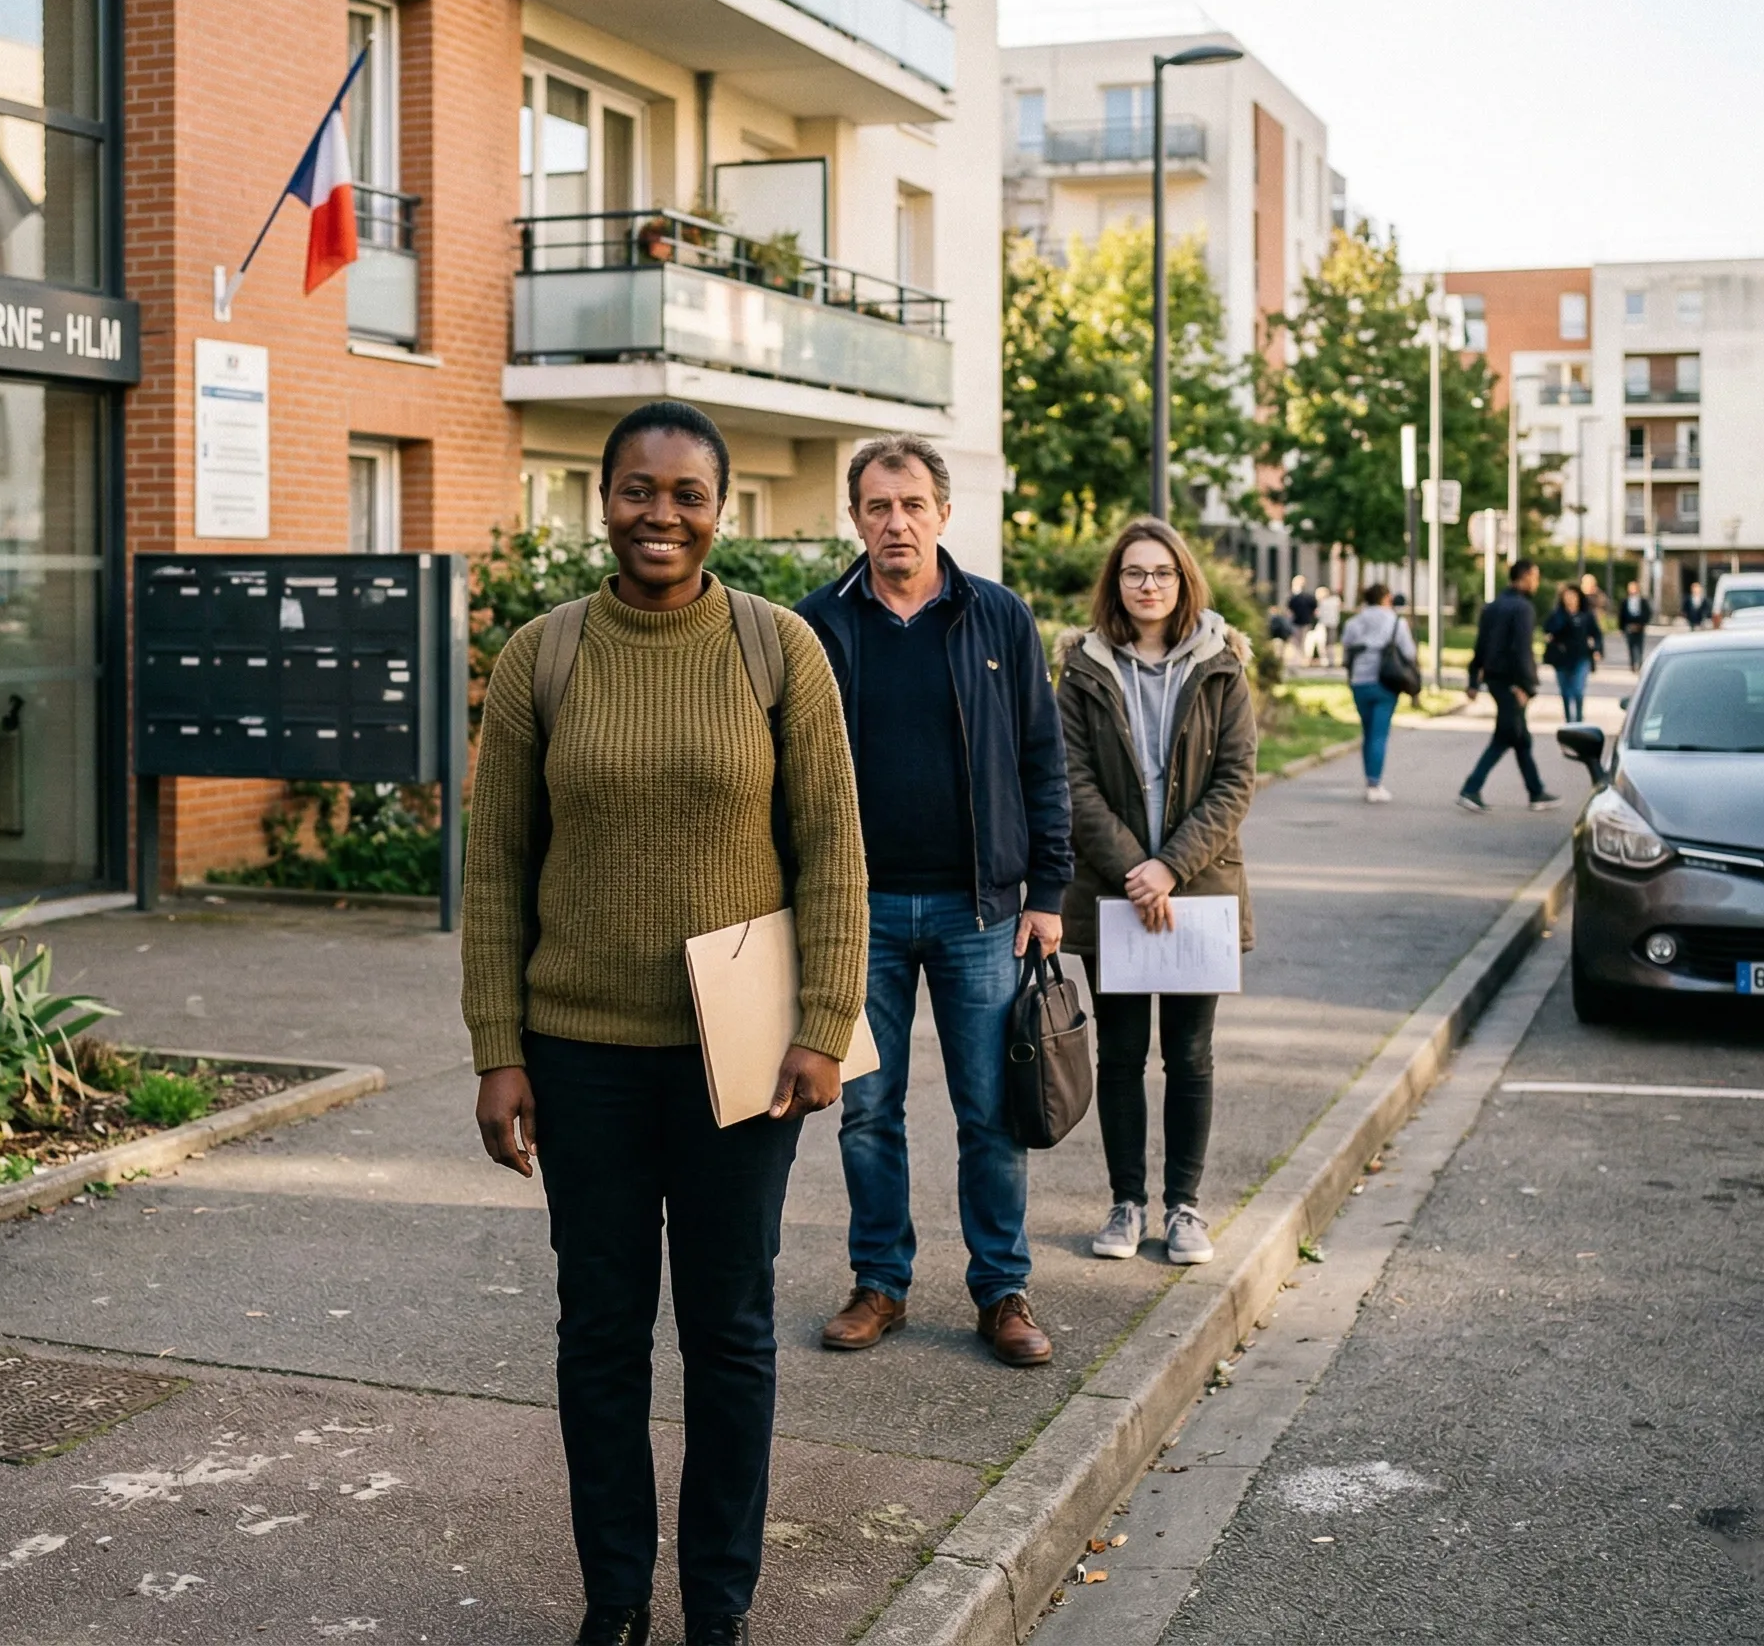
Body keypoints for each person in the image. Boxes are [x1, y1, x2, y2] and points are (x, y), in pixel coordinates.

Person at [460, 401, 869, 1646]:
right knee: (598, 1334)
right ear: (601, 500)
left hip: (735, 1058)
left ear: (719, 508)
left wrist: (823, 1017)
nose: (661, 514)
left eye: (686, 493)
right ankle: (616, 1598)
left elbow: (832, 847)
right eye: (637, 489)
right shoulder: (544, 655)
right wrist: (497, 1047)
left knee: (730, 1331)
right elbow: (495, 868)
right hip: (581, 1053)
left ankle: (719, 1604)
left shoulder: (777, 648)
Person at [795, 437, 1073, 1369]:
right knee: (868, 1108)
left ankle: (1002, 1291)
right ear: (856, 518)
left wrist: (1050, 888)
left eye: (911, 504)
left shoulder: (997, 617)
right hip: (857, 912)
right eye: (877, 506)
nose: (895, 523)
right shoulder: (818, 625)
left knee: (989, 1110)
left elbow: (1042, 757)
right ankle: (881, 1283)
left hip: (981, 911)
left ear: (943, 514)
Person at [1058, 519, 1258, 1268]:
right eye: (1135, 572)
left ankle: (1183, 1209)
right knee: (1120, 1055)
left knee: (1191, 1056)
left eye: (1162, 573)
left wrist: (1168, 867)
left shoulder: (1222, 663)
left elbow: (1235, 780)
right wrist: (1132, 870)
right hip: (1114, 895)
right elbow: (1070, 781)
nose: (1148, 585)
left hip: (1196, 891)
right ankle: (1125, 1204)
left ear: (1183, 583)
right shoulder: (1082, 667)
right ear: (1116, 583)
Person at [1457, 558, 1560, 814]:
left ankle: (1536, 791)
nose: (1536, 582)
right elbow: (1521, 650)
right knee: (1505, 736)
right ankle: (1471, 788)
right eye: (1535, 576)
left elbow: (1480, 645)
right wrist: (1525, 686)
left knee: (1520, 738)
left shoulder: (1492, 607)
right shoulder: (1522, 608)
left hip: (1494, 679)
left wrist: (1473, 679)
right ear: (1524, 577)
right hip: (1512, 683)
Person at [1340, 582, 1415, 803]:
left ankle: (1369, 779)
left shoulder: (1354, 622)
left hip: (1359, 681)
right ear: (1386, 598)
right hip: (1385, 681)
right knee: (1379, 734)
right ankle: (1374, 784)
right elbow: (1409, 652)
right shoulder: (1396, 622)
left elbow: (1346, 647)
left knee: (1367, 732)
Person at [1542, 583, 1601, 722]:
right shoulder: (1557, 615)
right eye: (1567, 596)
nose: (1570, 599)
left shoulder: (1586, 615)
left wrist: (1597, 649)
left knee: (1578, 690)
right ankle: (1569, 719)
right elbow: (1548, 630)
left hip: (1581, 656)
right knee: (1565, 692)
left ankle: (1579, 718)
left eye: (1573, 596)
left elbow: (1596, 634)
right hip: (1561, 658)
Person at [1618, 580, 1654, 671]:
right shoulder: (1625, 601)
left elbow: (1648, 613)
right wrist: (1621, 627)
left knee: (1639, 645)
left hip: (1640, 626)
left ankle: (1640, 662)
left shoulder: (1643, 600)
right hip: (1629, 626)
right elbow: (1621, 614)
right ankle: (1632, 664)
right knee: (1630, 645)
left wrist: (1642, 623)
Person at [1286, 575, 1319, 661]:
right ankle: (1301, 659)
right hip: (1305, 622)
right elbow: (1315, 611)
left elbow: (1289, 612)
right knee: (1302, 642)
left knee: (1296, 643)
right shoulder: (1310, 597)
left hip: (1297, 623)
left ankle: (1298, 660)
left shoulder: (1294, 598)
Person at [1310, 584, 1342, 668]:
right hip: (1332, 624)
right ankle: (1330, 661)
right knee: (1330, 644)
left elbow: (1318, 614)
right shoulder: (1335, 600)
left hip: (1325, 624)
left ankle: (1326, 660)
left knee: (1324, 643)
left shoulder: (1324, 602)